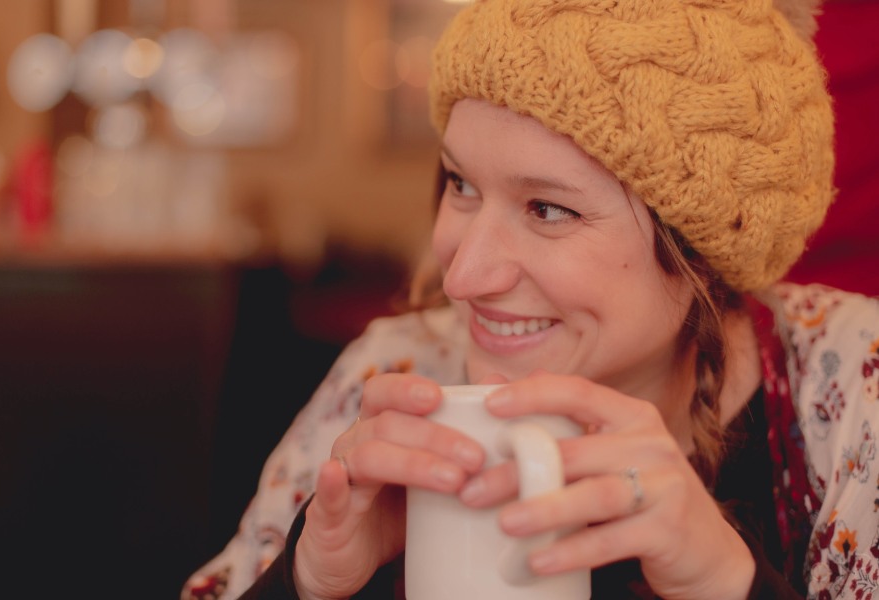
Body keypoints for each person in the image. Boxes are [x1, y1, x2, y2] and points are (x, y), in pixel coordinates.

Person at [182, 0, 879, 598]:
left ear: (704, 248)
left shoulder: (856, 388)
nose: (461, 279)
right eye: (461, 184)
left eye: (548, 209)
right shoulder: (395, 368)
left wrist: (731, 584)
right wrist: (307, 581)